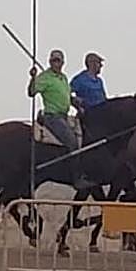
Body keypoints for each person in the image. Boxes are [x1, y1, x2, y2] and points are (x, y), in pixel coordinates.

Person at [28, 49, 86, 188]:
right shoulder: (45, 77)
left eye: (58, 60)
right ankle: (76, 178)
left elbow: (64, 96)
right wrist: (33, 78)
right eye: (53, 60)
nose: (56, 63)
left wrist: (74, 101)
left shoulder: (63, 78)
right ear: (50, 62)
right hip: (52, 116)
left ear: (63, 62)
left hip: (66, 115)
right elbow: (31, 92)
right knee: (72, 142)